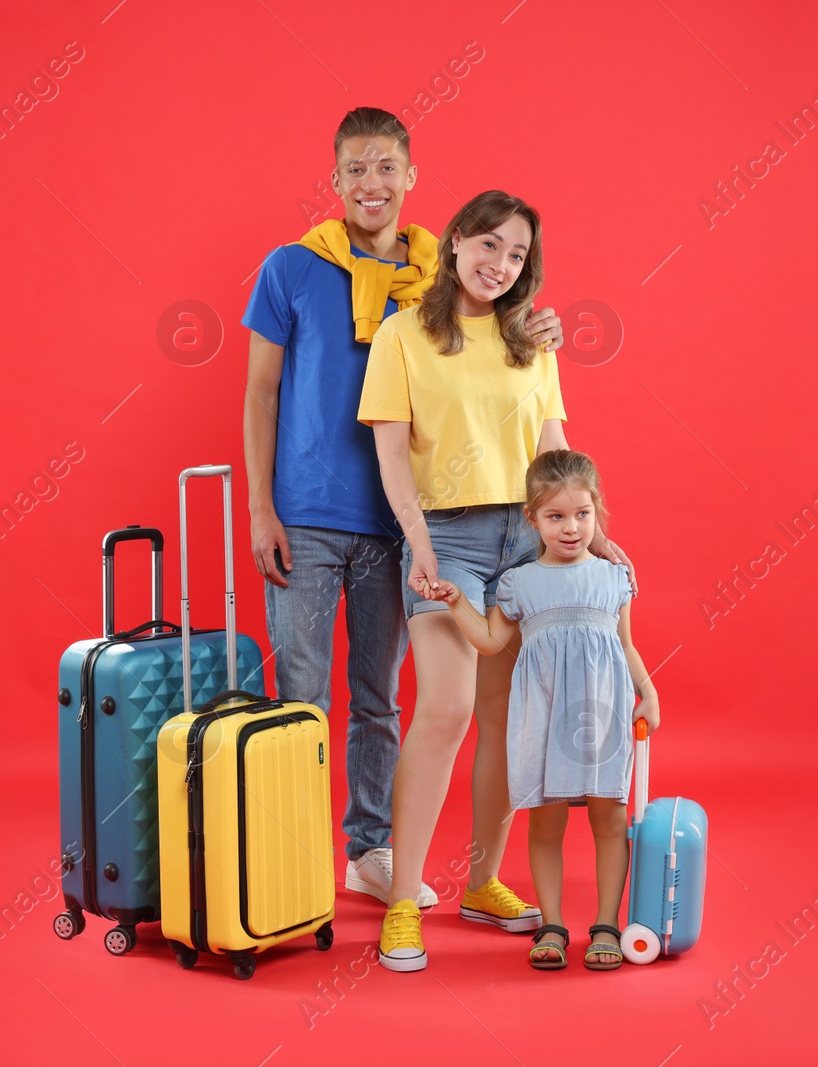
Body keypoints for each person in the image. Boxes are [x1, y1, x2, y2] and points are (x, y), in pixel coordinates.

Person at [242, 108, 564, 906]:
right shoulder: (290, 267)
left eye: (387, 167)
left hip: (401, 522)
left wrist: (535, 320)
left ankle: (370, 849)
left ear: (412, 179)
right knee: (301, 696)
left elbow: (496, 335)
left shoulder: (437, 278)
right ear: (336, 181)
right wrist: (259, 506)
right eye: (356, 169)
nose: (372, 183)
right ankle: (290, 861)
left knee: (381, 697)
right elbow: (260, 389)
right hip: (310, 512)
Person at [358, 190, 636, 972]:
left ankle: (483, 880)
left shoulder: (532, 341)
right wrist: (419, 545)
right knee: (442, 709)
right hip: (444, 534)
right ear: (453, 244)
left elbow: (552, 449)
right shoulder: (403, 333)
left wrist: (593, 532)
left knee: (510, 713)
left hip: (525, 533)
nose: (499, 264)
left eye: (516, 255)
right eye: (488, 245)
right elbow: (388, 454)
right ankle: (406, 899)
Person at [431, 449, 660, 970]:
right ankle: (553, 926)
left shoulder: (613, 577)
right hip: (542, 715)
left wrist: (648, 690)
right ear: (532, 518)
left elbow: (624, 644)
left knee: (611, 816)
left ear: (597, 513)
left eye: (582, 514)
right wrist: (455, 602)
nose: (571, 527)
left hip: (600, 713)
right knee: (546, 822)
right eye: (556, 516)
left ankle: (606, 923)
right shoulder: (519, 583)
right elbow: (490, 642)